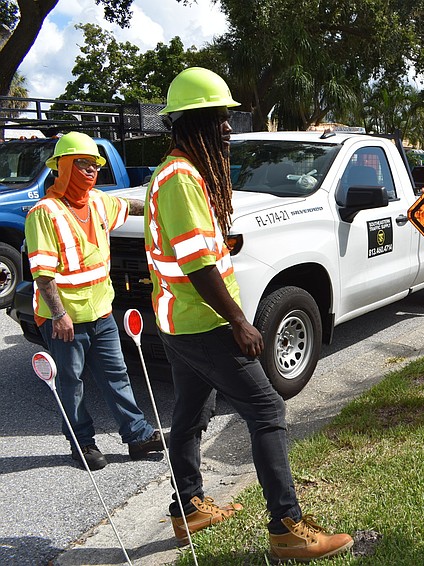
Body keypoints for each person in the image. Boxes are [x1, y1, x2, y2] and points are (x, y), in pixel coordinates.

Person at [145, 67, 354, 560]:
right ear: (191, 122)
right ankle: (286, 526)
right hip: (205, 324)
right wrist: (239, 321)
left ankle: (188, 508)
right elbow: (197, 261)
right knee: (266, 410)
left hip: (181, 323)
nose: (227, 128)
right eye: (218, 117)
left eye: (227, 117)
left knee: (191, 415)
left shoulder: (185, 173)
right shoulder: (180, 178)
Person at [24, 131, 166, 471]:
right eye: (83, 164)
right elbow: (43, 273)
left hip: (101, 312)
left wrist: (160, 201)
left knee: (116, 375)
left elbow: (129, 205)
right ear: (63, 167)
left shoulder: (98, 201)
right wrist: (58, 315)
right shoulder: (45, 212)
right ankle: (82, 443)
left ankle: (138, 435)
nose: (91, 171)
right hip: (65, 320)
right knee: (71, 384)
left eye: (95, 165)